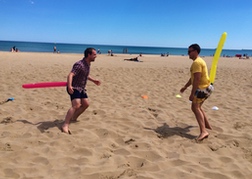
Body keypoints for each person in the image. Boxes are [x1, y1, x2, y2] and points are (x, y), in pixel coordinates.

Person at [61, 48, 101, 134]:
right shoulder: (79, 64)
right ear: (89, 55)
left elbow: (85, 75)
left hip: (81, 88)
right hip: (74, 87)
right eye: (94, 54)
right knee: (76, 105)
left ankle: (74, 117)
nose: (96, 56)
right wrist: (69, 86)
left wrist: (94, 80)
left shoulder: (87, 64)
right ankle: (65, 124)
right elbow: (70, 75)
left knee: (86, 104)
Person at [180, 44, 213, 142]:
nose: (188, 53)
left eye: (189, 51)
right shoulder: (199, 61)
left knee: (194, 107)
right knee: (198, 107)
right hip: (208, 87)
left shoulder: (197, 63)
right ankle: (207, 127)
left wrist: (192, 93)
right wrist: (185, 86)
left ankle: (203, 131)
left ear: (195, 51)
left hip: (202, 88)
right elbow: (193, 78)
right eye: (188, 51)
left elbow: (197, 80)